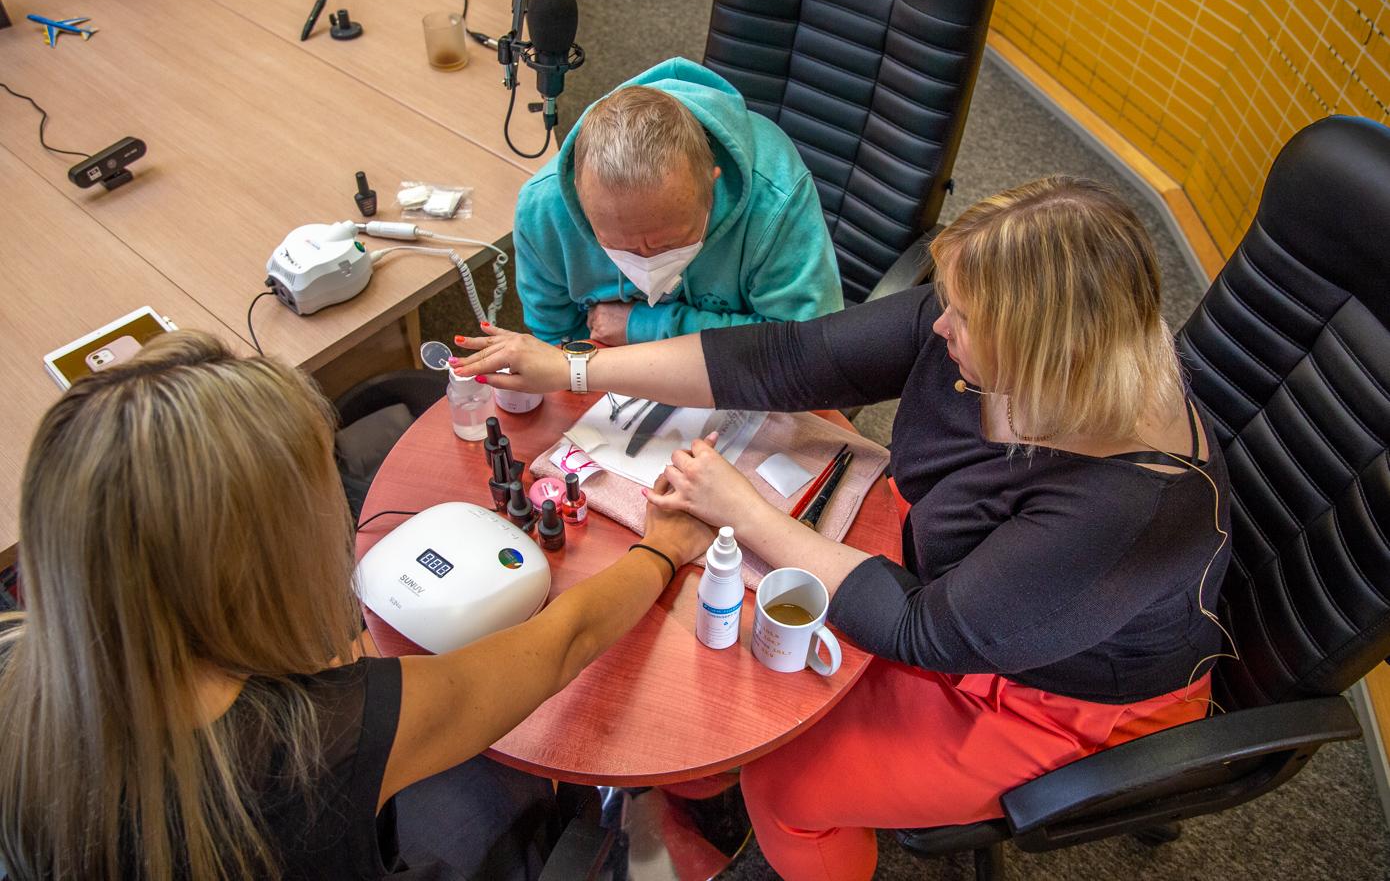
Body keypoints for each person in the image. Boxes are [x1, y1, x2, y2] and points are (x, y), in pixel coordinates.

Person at [454, 176, 1232, 881]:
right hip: (944, 583)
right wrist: (574, 367)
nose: (939, 324)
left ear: (1040, 353)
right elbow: (789, 360)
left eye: (963, 318)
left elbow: (926, 630)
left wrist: (746, 513)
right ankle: (709, 784)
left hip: (1049, 698)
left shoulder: (1127, 509)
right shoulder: (1004, 329)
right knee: (725, 658)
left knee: (785, 781)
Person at [0, 331, 713, 880]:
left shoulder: (16, 663)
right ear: (260, 560)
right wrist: (662, 549)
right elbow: (564, 643)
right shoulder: (318, 743)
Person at [513, 57, 843, 347]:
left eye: (668, 244)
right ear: (579, 195)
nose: (646, 264)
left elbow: (805, 349)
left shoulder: (776, 199)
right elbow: (556, 340)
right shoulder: (544, 209)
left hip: (744, 379)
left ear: (711, 184)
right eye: (619, 247)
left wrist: (646, 327)